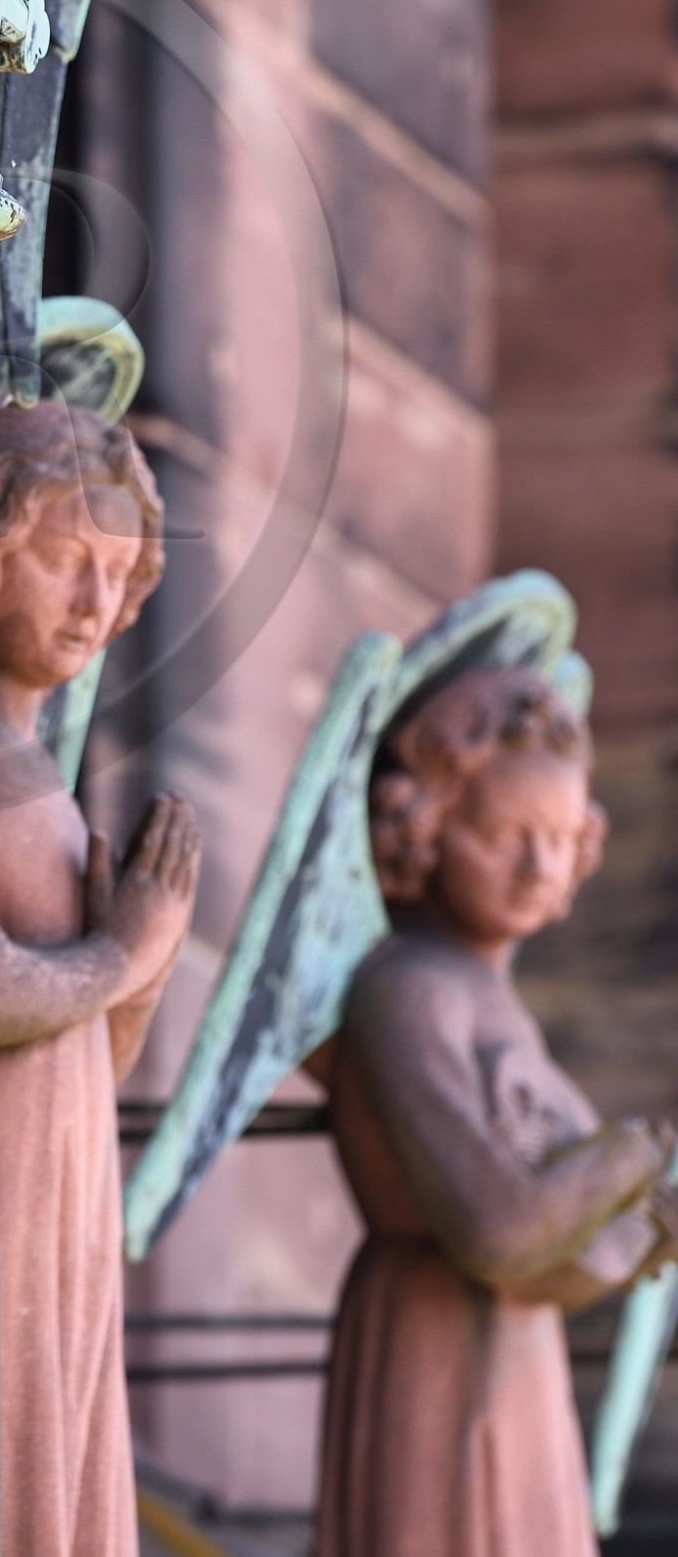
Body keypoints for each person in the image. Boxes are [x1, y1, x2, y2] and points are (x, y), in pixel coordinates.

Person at [319, 665, 678, 1557]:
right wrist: (628, 1161)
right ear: (425, 825)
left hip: (513, 1348)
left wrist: (639, 1230)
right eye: (504, 834)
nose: (538, 865)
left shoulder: (491, 999)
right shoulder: (408, 990)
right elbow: (499, 1232)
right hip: (431, 1338)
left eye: (558, 837)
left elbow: (544, 1265)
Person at [0, 399, 202, 1557]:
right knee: (1, 1457)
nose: (96, 603)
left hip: (62, 1182)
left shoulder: (38, 775)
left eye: (117, 574)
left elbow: (89, 1055)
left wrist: (133, 976)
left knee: (54, 1450)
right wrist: (123, 955)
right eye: (67, 561)